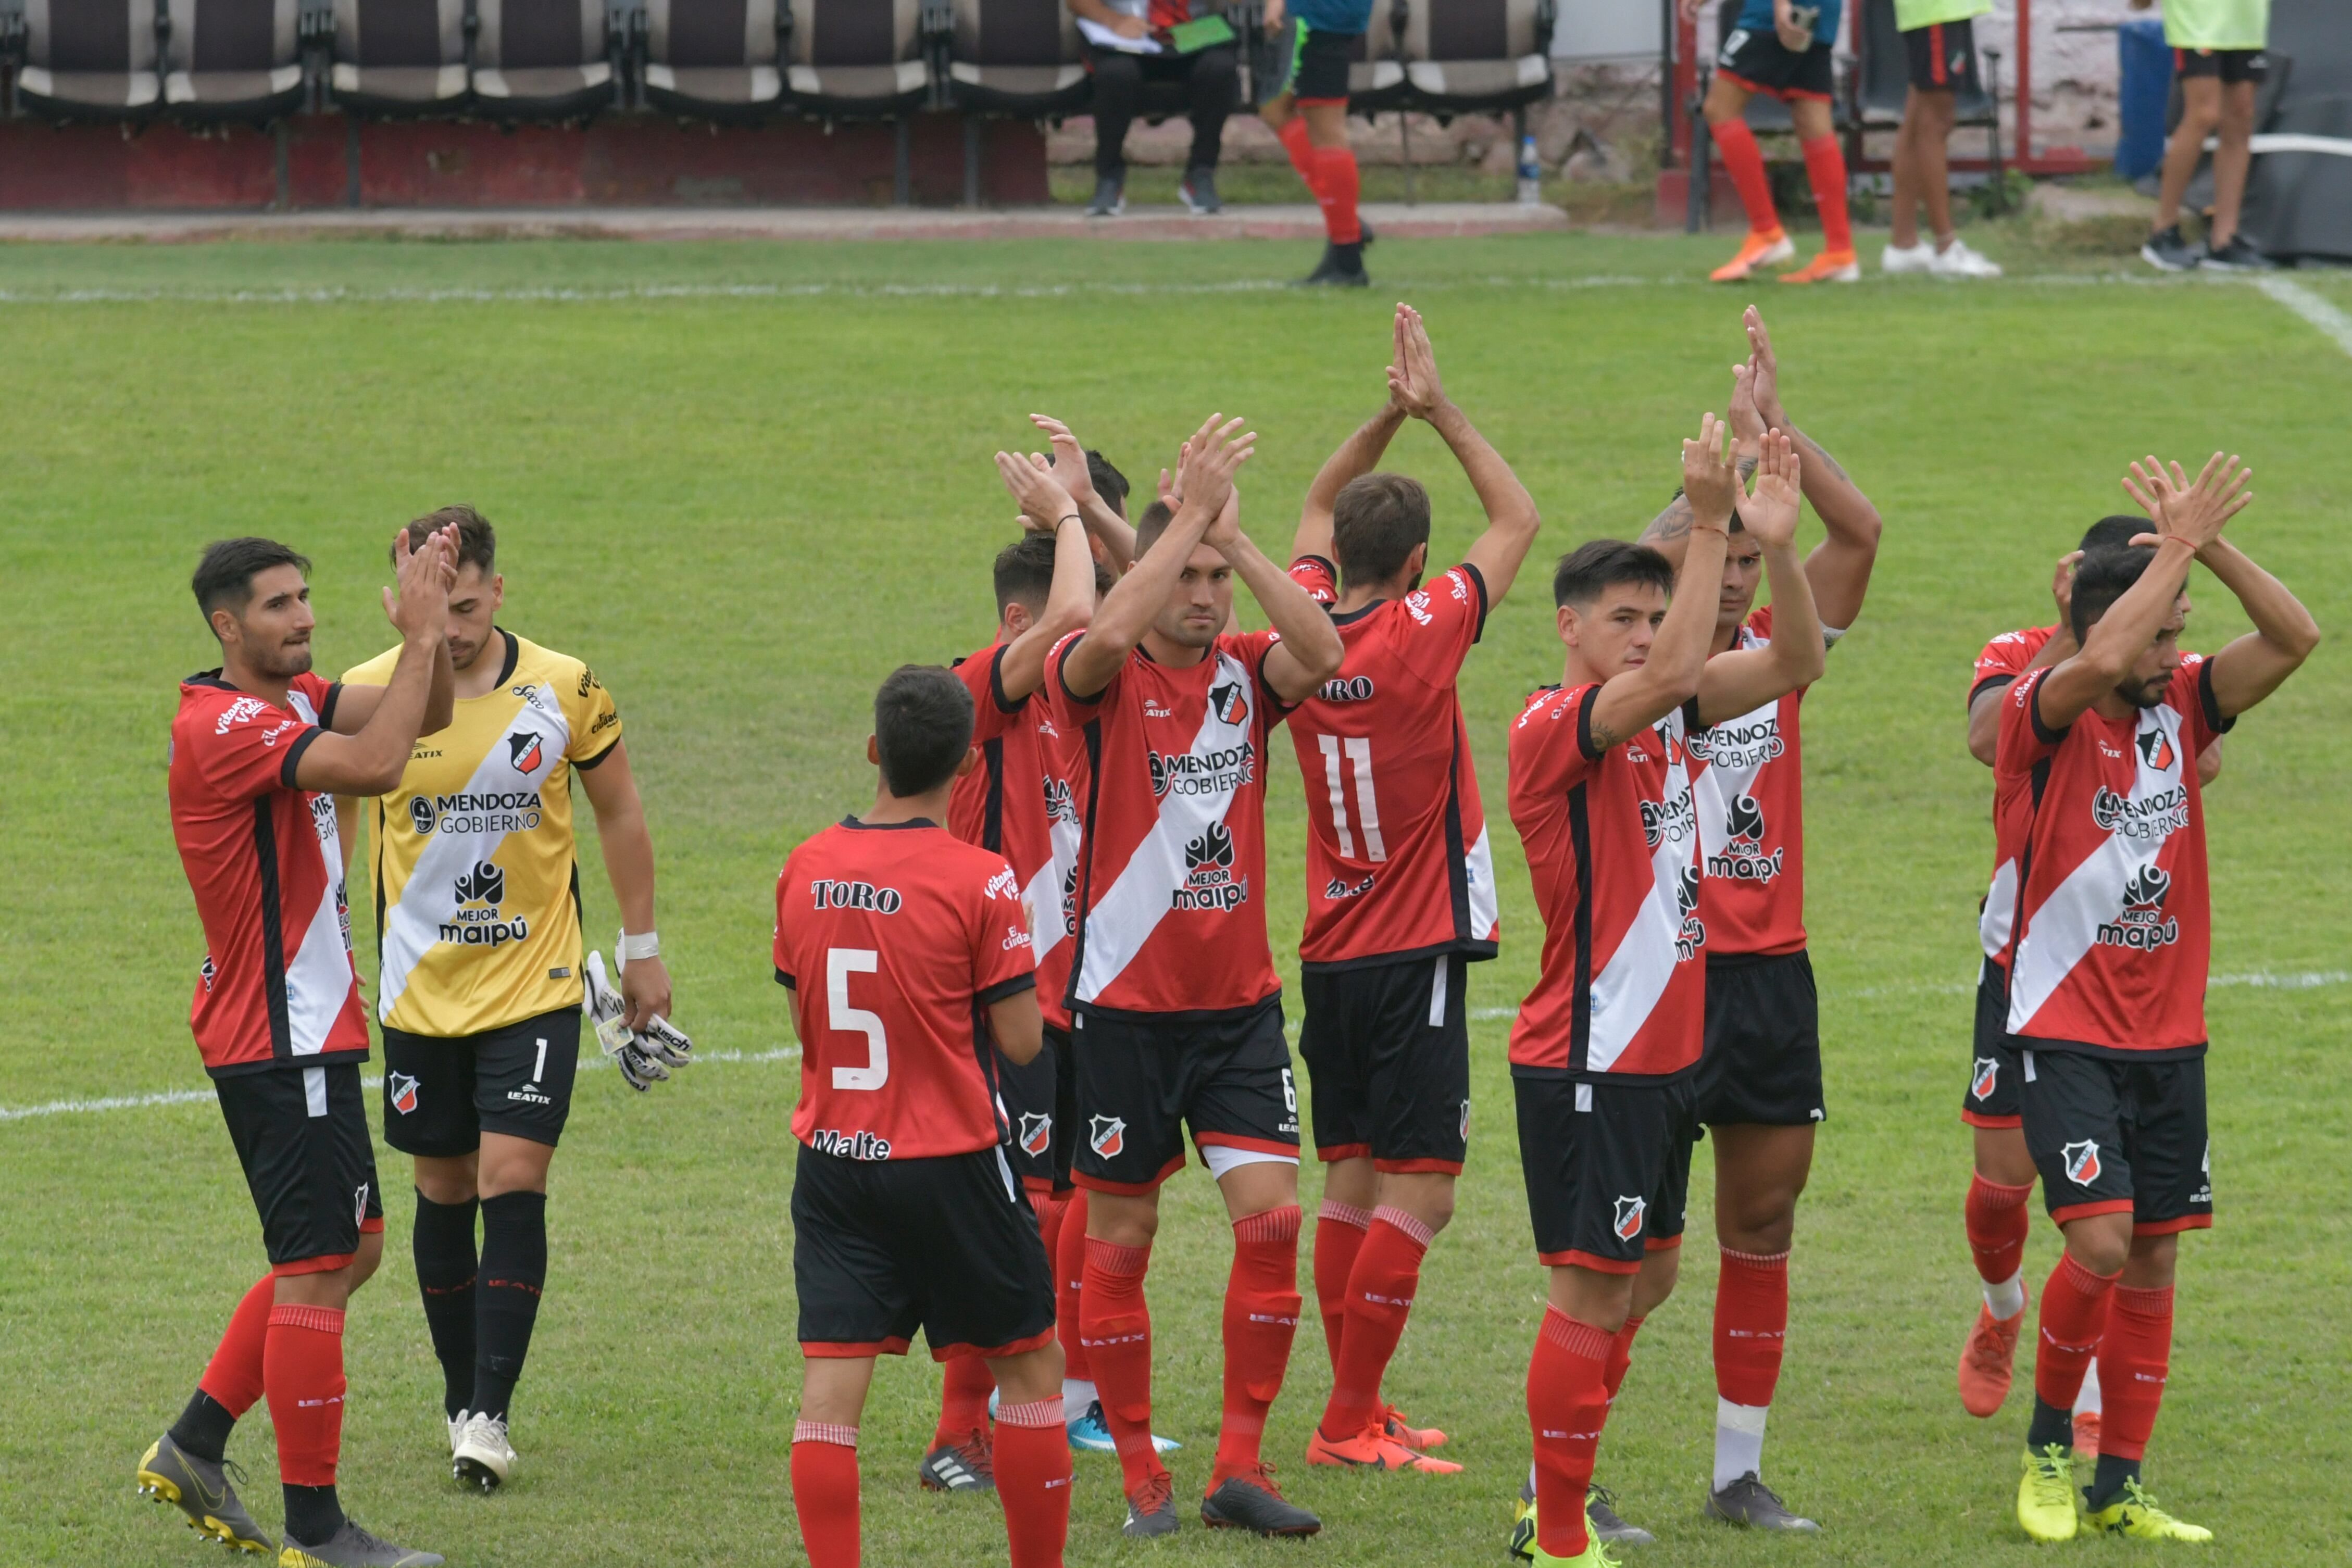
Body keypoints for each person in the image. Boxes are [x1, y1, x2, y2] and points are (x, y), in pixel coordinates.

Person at [1507, 422, 1825, 1568]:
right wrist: (1702, 525)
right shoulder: (1557, 728)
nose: (1644, 636)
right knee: (1591, 1292)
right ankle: (1553, 1529)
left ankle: (1564, 1503)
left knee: (1643, 1273)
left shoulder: (1662, 720)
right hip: (1589, 1054)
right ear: (1568, 628)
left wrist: (1775, 551)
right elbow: (1682, 674)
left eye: (1653, 618)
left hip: (1654, 1053)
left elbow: (1792, 664)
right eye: (1622, 621)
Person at [329, 507, 683, 1494]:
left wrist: (642, 947)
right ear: (404, 600)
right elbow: (335, 817)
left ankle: (490, 1408)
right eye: (436, 612)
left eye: (471, 606)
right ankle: (458, 1396)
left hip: (538, 981)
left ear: (498, 588)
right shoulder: (362, 693)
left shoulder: (564, 686)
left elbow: (618, 810)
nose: (455, 630)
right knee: (441, 1191)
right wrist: (329, 949)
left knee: (511, 1177)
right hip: (417, 992)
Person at [1997, 454, 2315, 1543]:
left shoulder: (2185, 702)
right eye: (2159, 634)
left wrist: (2205, 544)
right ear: (2106, 635)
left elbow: (2293, 637)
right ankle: (2047, 1447)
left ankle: (2118, 1482)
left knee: (2156, 1251)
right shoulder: (2046, 709)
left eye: (2179, 633)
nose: (2174, 652)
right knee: (2096, 1242)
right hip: (2062, 1025)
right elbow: (2093, 658)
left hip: (2168, 1034)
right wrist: (2167, 550)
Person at [1044, 415, 1345, 1538]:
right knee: (1121, 1241)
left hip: (1238, 1012)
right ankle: (1137, 1472)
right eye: (1194, 576)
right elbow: (1108, 627)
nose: (1210, 597)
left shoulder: (1245, 675)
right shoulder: (1099, 674)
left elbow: (1323, 652)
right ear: (1152, 570)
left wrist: (1237, 536)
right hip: (1123, 1010)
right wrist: (1164, 541)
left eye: (1222, 579)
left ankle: (1236, 1463)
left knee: (1269, 1227)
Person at [142, 529, 458, 1568]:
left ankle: (195, 1443)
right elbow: (376, 764)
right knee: (319, 1262)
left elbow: (436, 714)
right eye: (278, 606)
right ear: (227, 626)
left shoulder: (296, 695)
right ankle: (318, 1530)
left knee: (346, 1248)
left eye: (308, 597)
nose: (305, 617)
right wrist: (415, 637)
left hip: (304, 1027)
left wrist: (435, 628)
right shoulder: (226, 723)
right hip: (278, 1035)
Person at [1623, 308, 1879, 1534]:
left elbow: (1858, 533)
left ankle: (1737, 1473)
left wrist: (1779, 428)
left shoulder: (1782, 638)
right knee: (1638, 1259)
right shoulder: (1629, 681)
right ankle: (1558, 1472)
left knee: (1762, 1224)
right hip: (1663, 979)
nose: (1729, 578)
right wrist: (1705, 508)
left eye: (1736, 560)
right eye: (1708, 557)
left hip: (1771, 974)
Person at [1282, 304, 1540, 1476]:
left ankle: (1358, 1406)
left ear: (1335, 558)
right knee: (1420, 1193)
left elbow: (1311, 501)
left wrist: (1381, 415)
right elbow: (1517, 515)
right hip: (1414, 943)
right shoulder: (1421, 629)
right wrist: (1434, 407)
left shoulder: (1304, 632)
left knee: (1349, 1178)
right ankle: (1347, 1417)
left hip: (1330, 948)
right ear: (1419, 568)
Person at [776, 664, 1072, 1568]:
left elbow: (807, 1024)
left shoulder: (806, 865)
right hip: (950, 1159)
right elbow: (1022, 1044)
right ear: (967, 769)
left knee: (830, 1397)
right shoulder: (982, 882)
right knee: (1029, 1368)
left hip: (832, 1159)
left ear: (874, 752)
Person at [1955, 515, 2223, 1454]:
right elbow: (1992, 739)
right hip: (2021, 965)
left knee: (2124, 1229)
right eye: (2154, 609)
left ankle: (2101, 1423)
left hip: (2132, 982)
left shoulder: (2168, 684)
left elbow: (2205, 755)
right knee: (2001, 1186)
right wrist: (2083, 645)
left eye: (2176, 613)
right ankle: (1999, 1310)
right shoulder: (2025, 654)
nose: (2169, 630)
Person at [917, 447, 1106, 1492]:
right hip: (1000, 1000)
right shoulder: (972, 695)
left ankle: (1054, 1405)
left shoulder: (1075, 694)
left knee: (1075, 1200)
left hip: (1080, 984)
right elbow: (1076, 611)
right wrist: (1071, 514)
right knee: (1018, 1208)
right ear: (1017, 621)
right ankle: (958, 1431)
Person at [1681, 0, 1858, 284]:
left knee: (1720, 108)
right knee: (1812, 120)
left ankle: (1767, 232)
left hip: (1774, 13)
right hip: (1821, 11)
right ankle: (1840, 252)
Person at [2134, 0, 2273, 271]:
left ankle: (2224, 240)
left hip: (2245, 18)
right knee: (2204, 114)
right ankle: (2163, 231)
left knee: (2241, 119)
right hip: (2197, 19)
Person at [1070, 0, 1243, 218]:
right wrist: (1114, 21)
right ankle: (1109, 177)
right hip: (1123, 34)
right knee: (1116, 74)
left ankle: (1201, 172)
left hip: (1191, 32)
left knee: (1220, 68)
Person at [1881, 0, 2003, 277]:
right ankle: (1946, 246)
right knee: (1936, 121)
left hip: (1941, 10)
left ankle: (1904, 244)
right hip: (1936, 9)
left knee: (1918, 116)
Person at [1258, 0, 1375, 286]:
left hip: (1319, 15)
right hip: (1323, 15)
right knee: (1275, 108)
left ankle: (1348, 260)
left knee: (1326, 128)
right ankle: (1346, 223)